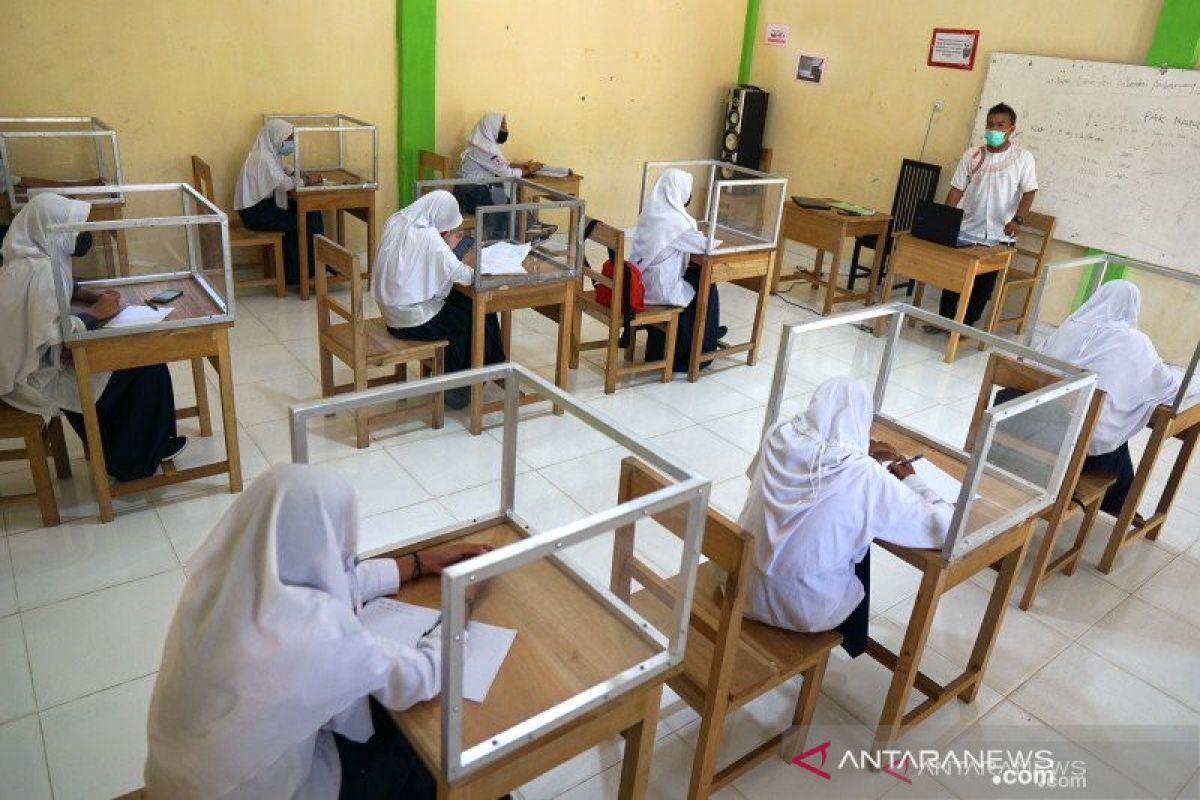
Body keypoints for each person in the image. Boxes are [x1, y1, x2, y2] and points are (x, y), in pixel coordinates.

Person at [144, 463, 493, 799]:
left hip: (177, 783)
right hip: (283, 791)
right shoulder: (317, 633)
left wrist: (421, 562)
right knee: (438, 756)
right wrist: (460, 599)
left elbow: (333, 581)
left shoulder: (217, 588)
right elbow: (424, 676)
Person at [737, 378, 952, 656]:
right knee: (857, 543)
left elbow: (756, 476)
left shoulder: (777, 436)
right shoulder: (865, 474)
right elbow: (945, 529)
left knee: (841, 531)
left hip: (741, 584)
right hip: (806, 611)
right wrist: (912, 481)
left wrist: (859, 449)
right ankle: (854, 644)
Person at [0, 192, 184, 482]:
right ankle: (132, 460)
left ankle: (132, 446)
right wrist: (95, 314)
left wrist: (85, 294)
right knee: (147, 364)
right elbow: (55, 342)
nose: (78, 235)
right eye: (71, 228)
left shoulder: (25, 258)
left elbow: (60, 290)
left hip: (28, 372)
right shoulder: (38, 273)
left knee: (125, 364)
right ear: (50, 229)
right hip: (37, 380)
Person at [1036, 279, 1181, 515]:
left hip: (1030, 427)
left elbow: (1035, 359)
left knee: (1102, 427)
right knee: (1108, 432)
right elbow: (1165, 384)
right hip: (1074, 443)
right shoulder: (1136, 342)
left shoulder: (1069, 326)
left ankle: (1121, 504)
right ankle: (1121, 507)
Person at [371, 191, 506, 410]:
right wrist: (480, 263)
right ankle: (461, 387)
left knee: (465, 303)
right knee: (478, 311)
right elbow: (464, 275)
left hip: (391, 314)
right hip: (412, 322)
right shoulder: (429, 237)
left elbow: (414, 265)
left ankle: (492, 367)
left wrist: (446, 248)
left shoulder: (396, 220)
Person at [931, 102, 1038, 330]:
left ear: (1011, 129)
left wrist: (1018, 220)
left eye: (1000, 125)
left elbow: (1029, 192)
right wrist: (944, 221)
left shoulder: (1022, 157)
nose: (994, 130)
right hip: (968, 228)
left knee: (983, 288)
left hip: (1000, 234)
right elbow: (956, 189)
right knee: (954, 278)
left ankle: (965, 326)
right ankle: (944, 322)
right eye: (990, 125)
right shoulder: (972, 155)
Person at [629, 168, 724, 372]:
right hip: (658, 290)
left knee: (695, 277)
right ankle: (700, 349)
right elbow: (705, 246)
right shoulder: (676, 222)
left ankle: (704, 335)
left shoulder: (651, 212)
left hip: (639, 282)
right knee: (707, 284)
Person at [234, 118, 325, 288]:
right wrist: (307, 179)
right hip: (255, 213)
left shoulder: (268, 153)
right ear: (276, 137)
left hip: (259, 208)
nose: (290, 143)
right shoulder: (264, 159)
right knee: (303, 220)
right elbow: (285, 184)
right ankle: (302, 273)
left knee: (309, 212)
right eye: (288, 139)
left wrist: (297, 172)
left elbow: (282, 169)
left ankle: (304, 269)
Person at [453, 112, 550, 240]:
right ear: (491, 127)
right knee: (503, 202)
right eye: (502, 126)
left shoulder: (483, 146)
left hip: (473, 192)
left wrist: (521, 165)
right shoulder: (484, 150)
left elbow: (501, 164)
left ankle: (529, 231)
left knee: (506, 198)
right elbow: (507, 173)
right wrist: (528, 170)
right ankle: (518, 236)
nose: (506, 130)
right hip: (469, 196)